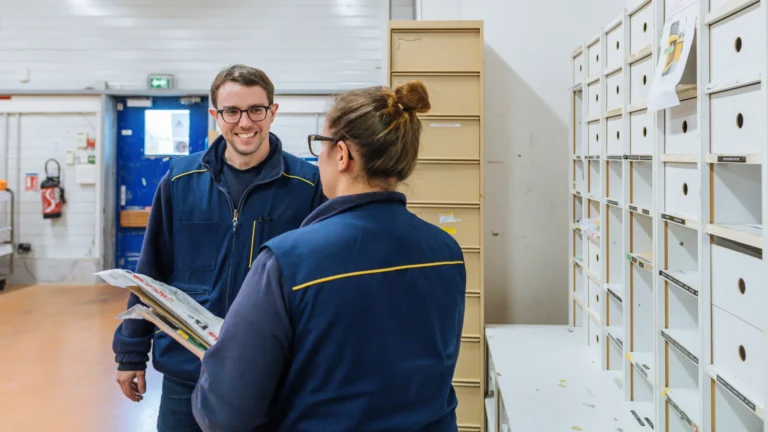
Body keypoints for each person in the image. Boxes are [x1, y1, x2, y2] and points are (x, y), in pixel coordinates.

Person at [191, 80, 467, 431]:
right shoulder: (445, 251)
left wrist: (213, 366)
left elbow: (226, 413)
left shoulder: (287, 261)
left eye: (319, 144)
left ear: (341, 154)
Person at [112, 64, 325, 432]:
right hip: (188, 368)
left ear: (273, 112)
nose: (245, 122)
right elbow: (151, 271)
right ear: (215, 115)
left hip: (269, 372)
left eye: (256, 110)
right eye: (232, 111)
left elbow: (319, 283)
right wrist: (131, 353)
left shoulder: (306, 186)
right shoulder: (180, 180)